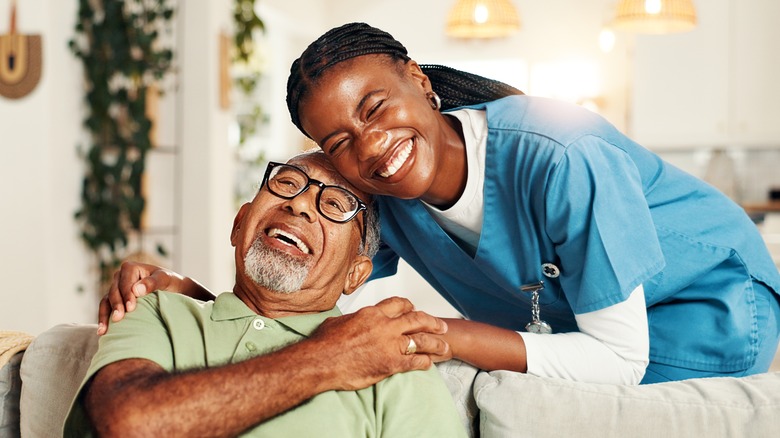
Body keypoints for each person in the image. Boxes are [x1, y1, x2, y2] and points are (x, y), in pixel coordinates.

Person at [104, 23, 780, 385]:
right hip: (580, 333)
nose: (371, 147)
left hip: (707, 307)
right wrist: (178, 291)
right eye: (339, 140)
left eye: (375, 108)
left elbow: (618, 361)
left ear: (420, 84)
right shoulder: (384, 196)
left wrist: (441, 334)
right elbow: (294, 311)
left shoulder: (558, 154)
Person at [66, 151, 467, 437]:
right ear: (240, 225)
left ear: (355, 274)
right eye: (287, 184)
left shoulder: (392, 361)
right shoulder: (153, 309)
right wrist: (329, 358)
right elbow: (128, 424)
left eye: (335, 204)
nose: (300, 206)